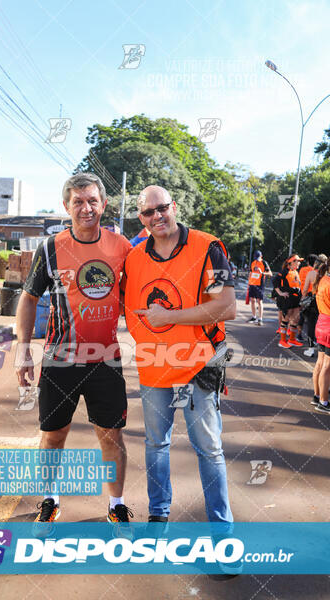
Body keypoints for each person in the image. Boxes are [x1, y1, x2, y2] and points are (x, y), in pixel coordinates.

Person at [15, 173, 133, 530]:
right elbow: (28, 297)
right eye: (78, 202)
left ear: (104, 204)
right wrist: (23, 349)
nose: (86, 208)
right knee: (53, 436)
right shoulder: (50, 247)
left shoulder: (122, 247)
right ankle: (49, 500)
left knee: (111, 437)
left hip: (105, 360)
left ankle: (117, 504)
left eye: (92, 201)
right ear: (66, 206)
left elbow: (137, 297)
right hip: (59, 359)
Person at [124, 185, 236, 532]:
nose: (156, 216)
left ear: (174, 207)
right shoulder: (135, 257)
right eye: (147, 212)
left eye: (162, 208)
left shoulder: (208, 247)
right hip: (154, 365)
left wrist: (169, 318)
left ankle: (221, 529)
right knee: (156, 444)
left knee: (209, 448)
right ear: (141, 219)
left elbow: (226, 306)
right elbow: (129, 308)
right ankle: (158, 515)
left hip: (198, 365)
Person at [311, 256, 330, 413]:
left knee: (320, 362)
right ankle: (323, 402)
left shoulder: (322, 279)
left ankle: (317, 396)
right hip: (328, 325)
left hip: (321, 322)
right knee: (327, 366)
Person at [273, 254, 304, 348]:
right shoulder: (284, 271)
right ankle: (282, 341)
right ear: (292, 262)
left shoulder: (295, 271)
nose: (299, 263)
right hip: (287, 299)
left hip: (296, 299)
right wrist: (280, 293)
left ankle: (292, 340)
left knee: (296, 319)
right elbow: (275, 281)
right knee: (286, 319)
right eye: (297, 261)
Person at [301, 254, 327, 357]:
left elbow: (305, 290)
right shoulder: (326, 275)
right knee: (324, 325)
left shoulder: (311, 273)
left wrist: (303, 300)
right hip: (325, 301)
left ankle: (311, 349)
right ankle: (324, 349)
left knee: (311, 324)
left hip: (313, 301)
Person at [247, 250, 272, 326]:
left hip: (259, 284)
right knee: (252, 300)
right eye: (256, 258)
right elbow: (251, 273)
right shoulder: (253, 263)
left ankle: (260, 318)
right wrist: (248, 283)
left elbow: (270, 274)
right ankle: (254, 317)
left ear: (261, 256)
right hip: (252, 284)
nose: (257, 259)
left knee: (259, 301)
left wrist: (262, 272)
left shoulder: (264, 263)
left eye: (258, 258)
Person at [297, 254, 317, 343]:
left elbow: (299, 281)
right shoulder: (316, 272)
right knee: (312, 319)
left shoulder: (302, 270)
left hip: (303, 295)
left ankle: (299, 335)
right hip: (313, 296)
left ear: (308, 261)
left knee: (301, 316)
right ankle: (314, 338)